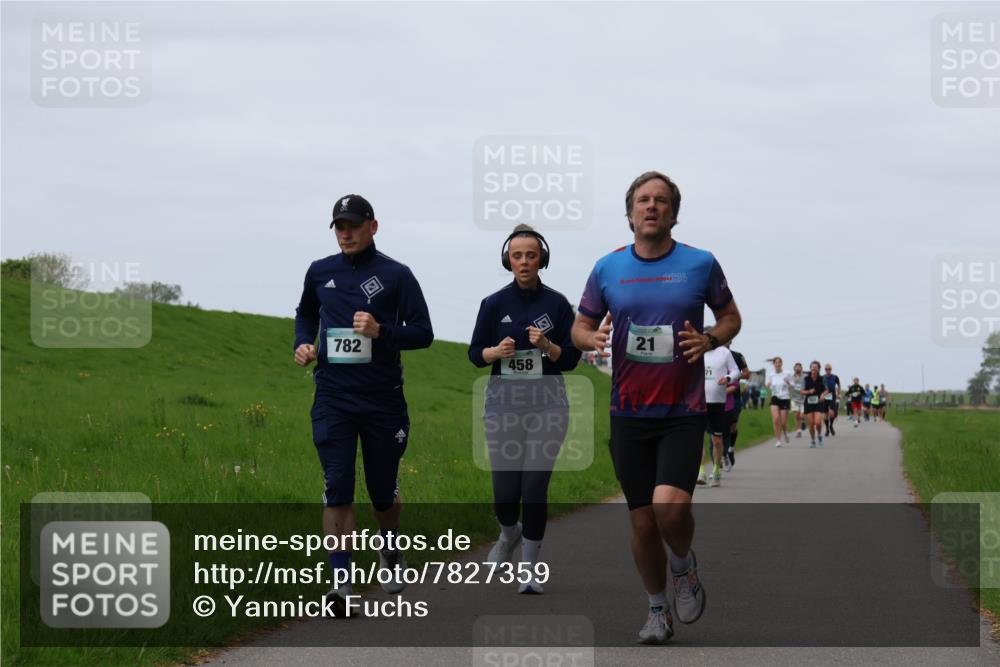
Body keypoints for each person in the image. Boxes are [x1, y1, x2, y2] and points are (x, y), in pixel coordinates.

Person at [571, 171, 741, 644]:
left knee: (670, 510)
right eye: (643, 200)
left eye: (661, 201)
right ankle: (657, 610)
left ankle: (683, 567)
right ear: (629, 213)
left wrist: (709, 339)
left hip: (682, 410)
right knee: (642, 520)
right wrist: (593, 338)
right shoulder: (608, 268)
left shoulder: (700, 263)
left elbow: (731, 318)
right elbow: (579, 326)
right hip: (627, 412)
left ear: (673, 212)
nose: (651, 207)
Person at [294, 194, 434, 615]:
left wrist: (381, 331)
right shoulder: (320, 272)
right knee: (337, 485)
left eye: (353, 225)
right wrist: (303, 342)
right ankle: (342, 587)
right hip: (333, 396)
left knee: (380, 491)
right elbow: (305, 313)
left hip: (382, 399)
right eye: (339, 226)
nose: (346, 232)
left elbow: (424, 332)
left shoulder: (397, 275)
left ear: (373, 226)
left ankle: (389, 551)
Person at [468, 224, 581, 594]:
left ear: (542, 258)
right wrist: (494, 353)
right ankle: (508, 533)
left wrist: (548, 345)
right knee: (504, 493)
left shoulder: (558, 304)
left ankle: (529, 569)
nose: (524, 262)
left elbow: (571, 360)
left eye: (531, 255)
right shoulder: (493, 303)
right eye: (517, 256)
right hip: (503, 404)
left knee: (533, 487)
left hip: (549, 404)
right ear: (508, 260)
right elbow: (474, 354)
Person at [698, 337, 739, 487]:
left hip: (717, 403)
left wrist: (728, 377)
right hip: (699, 402)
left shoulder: (724, 353)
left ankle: (716, 470)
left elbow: (736, 371)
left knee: (716, 440)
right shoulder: (697, 352)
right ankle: (700, 471)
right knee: (698, 439)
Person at [726, 349, 750, 468]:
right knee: (717, 428)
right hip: (714, 396)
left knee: (732, 426)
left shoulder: (737, 356)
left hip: (733, 396)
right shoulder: (708, 355)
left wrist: (734, 375)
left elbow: (747, 373)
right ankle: (720, 456)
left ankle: (731, 449)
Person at [766, 357, 793, 447]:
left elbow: (792, 385)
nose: (777, 364)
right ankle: (778, 440)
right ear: (774, 364)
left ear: (781, 364)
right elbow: (770, 386)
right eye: (776, 363)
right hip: (775, 398)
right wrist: (768, 385)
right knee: (776, 420)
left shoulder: (787, 373)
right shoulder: (771, 375)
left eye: (779, 362)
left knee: (784, 423)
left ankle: (785, 432)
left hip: (785, 398)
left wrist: (788, 382)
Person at [802, 361, 828, 447]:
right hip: (808, 403)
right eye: (812, 367)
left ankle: (819, 435)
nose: (814, 368)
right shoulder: (806, 379)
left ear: (818, 369)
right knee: (811, 424)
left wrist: (823, 395)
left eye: (816, 367)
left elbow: (827, 390)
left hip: (818, 402)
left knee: (817, 422)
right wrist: (808, 391)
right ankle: (813, 440)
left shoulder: (822, 379)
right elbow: (801, 391)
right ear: (810, 368)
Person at [823, 364, 842, 437]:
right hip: (824, 396)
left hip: (832, 396)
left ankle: (831, 426)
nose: (828, 370)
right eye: (826, 369)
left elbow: (839, 385)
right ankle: (827, 429)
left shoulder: (835, 377)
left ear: (831, 369)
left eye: (829, 369)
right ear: (825, 370)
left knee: (831, 413)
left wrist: (839, 393)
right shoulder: (822, 377)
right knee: (825, 414)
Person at [789, 362, 806, 438]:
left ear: (801, 369)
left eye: (799, 367)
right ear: (794, 368)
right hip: (794, 398)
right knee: (796, 415)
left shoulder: (805, 377)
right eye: (796, 367)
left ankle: (803, 421)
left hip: (803, 398)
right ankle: (798, 430)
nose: (798, 368)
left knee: (802, 415)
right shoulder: (791, 377)